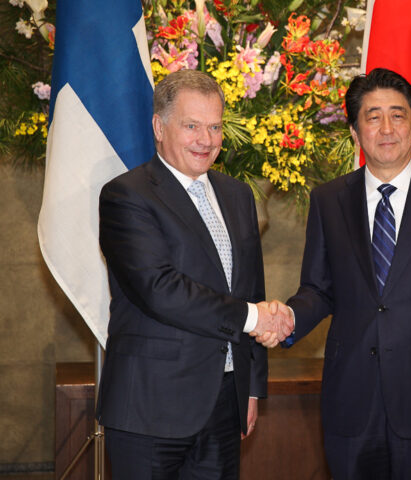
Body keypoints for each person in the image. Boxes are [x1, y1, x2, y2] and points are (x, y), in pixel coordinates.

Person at [268, 68, 411, 479]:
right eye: (373, 117)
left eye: (398, 115)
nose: (386, 128)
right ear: (356, 133)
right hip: (351, 395)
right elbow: (318, 290)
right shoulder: (328, 200)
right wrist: (288, 319)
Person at [96, 69, 289, 479]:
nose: (206, 140)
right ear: (159, 127)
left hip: (223, 407)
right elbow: (159, 289)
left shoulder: (237, 195)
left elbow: (251, 287)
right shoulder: (126, 195)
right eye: (192, 126)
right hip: (149, 409)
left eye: (215, 127)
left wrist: (251, 387)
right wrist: (256, 318)